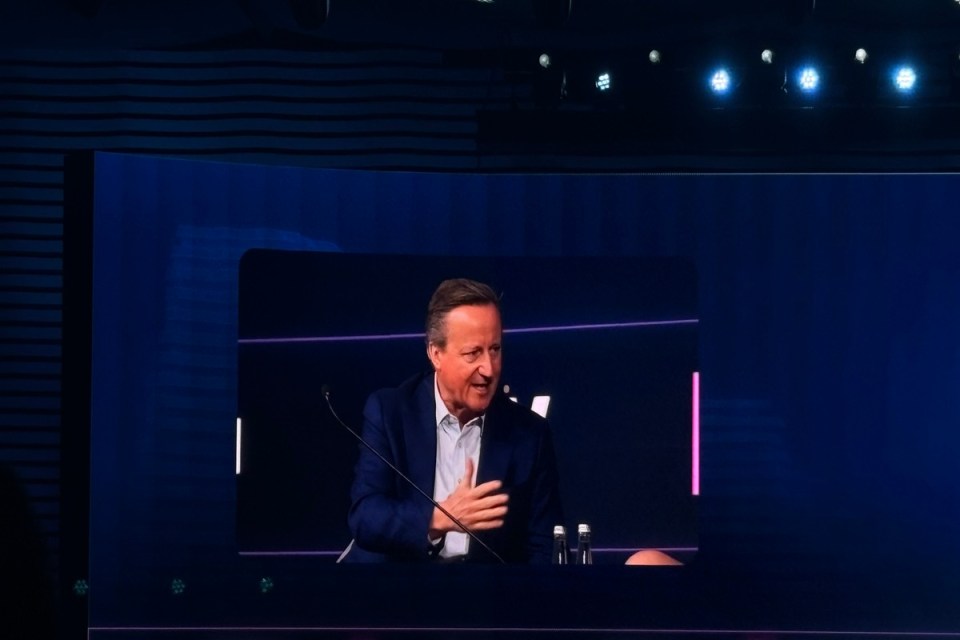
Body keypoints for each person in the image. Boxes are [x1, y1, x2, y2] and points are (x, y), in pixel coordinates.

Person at [345, 278, 563, 563]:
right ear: (436, 354)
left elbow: (543, 547)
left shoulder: (529, 434)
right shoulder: (391, 412)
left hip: (485, 596)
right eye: (473, 353)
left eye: (495, 350)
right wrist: (440, 517)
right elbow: (366, 517)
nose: (488, 369)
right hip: (401, 590)